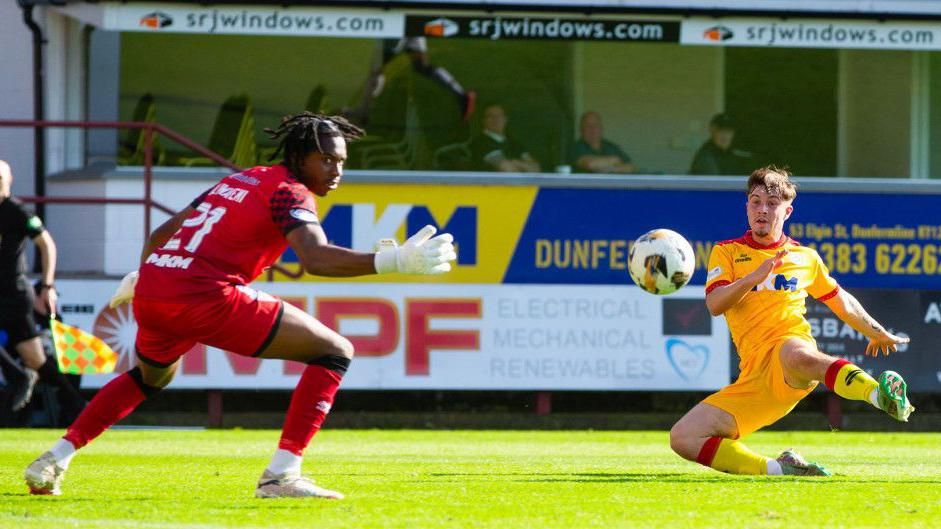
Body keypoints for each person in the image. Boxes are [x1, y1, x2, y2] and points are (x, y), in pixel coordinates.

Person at [24, 112, 457, 498]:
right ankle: (282, 476)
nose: (336, 170)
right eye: (327, 159)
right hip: (203, 295)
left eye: (342, 160)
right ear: (300, 156)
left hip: (156, 290)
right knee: (335, 351)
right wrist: (394, 260)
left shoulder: (241, 177)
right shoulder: (289, 192)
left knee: (148, 379)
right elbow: (316, 259)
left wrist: (145, 276)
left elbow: (160, 235)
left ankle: (54, 458)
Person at [669, 166, 914, 477]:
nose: (762, 210)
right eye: (755, 202)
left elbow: (842, 301)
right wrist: (753, 278)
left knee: (795, 352)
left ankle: (883, 398)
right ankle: (780, 469)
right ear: (746, 206)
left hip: (790, 351)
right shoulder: (727, 252)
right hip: (755, 379)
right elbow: (716, 304)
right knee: (683, 438)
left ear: (787, 211)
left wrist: (877, 332)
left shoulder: (805, 257)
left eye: (772, 203)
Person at [0, 160, 78, 415]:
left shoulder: (18, 211)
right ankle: (22, 378)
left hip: (14, 292)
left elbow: (46, 244)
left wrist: (47, 285)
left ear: (8, 181)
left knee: (35, 358)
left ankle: (74, 404)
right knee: (33, 359)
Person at [345, 37, 475, 125]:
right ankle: (461, 95)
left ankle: (364, 110)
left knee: (378, 69)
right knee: (421, 66)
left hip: (396, 16)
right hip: (412, 17)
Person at [468, 104, 540, 173]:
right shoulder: (481, 142)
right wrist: (523, 166)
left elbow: (536, 169)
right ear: (483, 120)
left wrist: (515, 162)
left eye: (499, 116)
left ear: (505, 119)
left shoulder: (513, 143)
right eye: (490, 116)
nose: (495, 120)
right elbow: (507, 169)